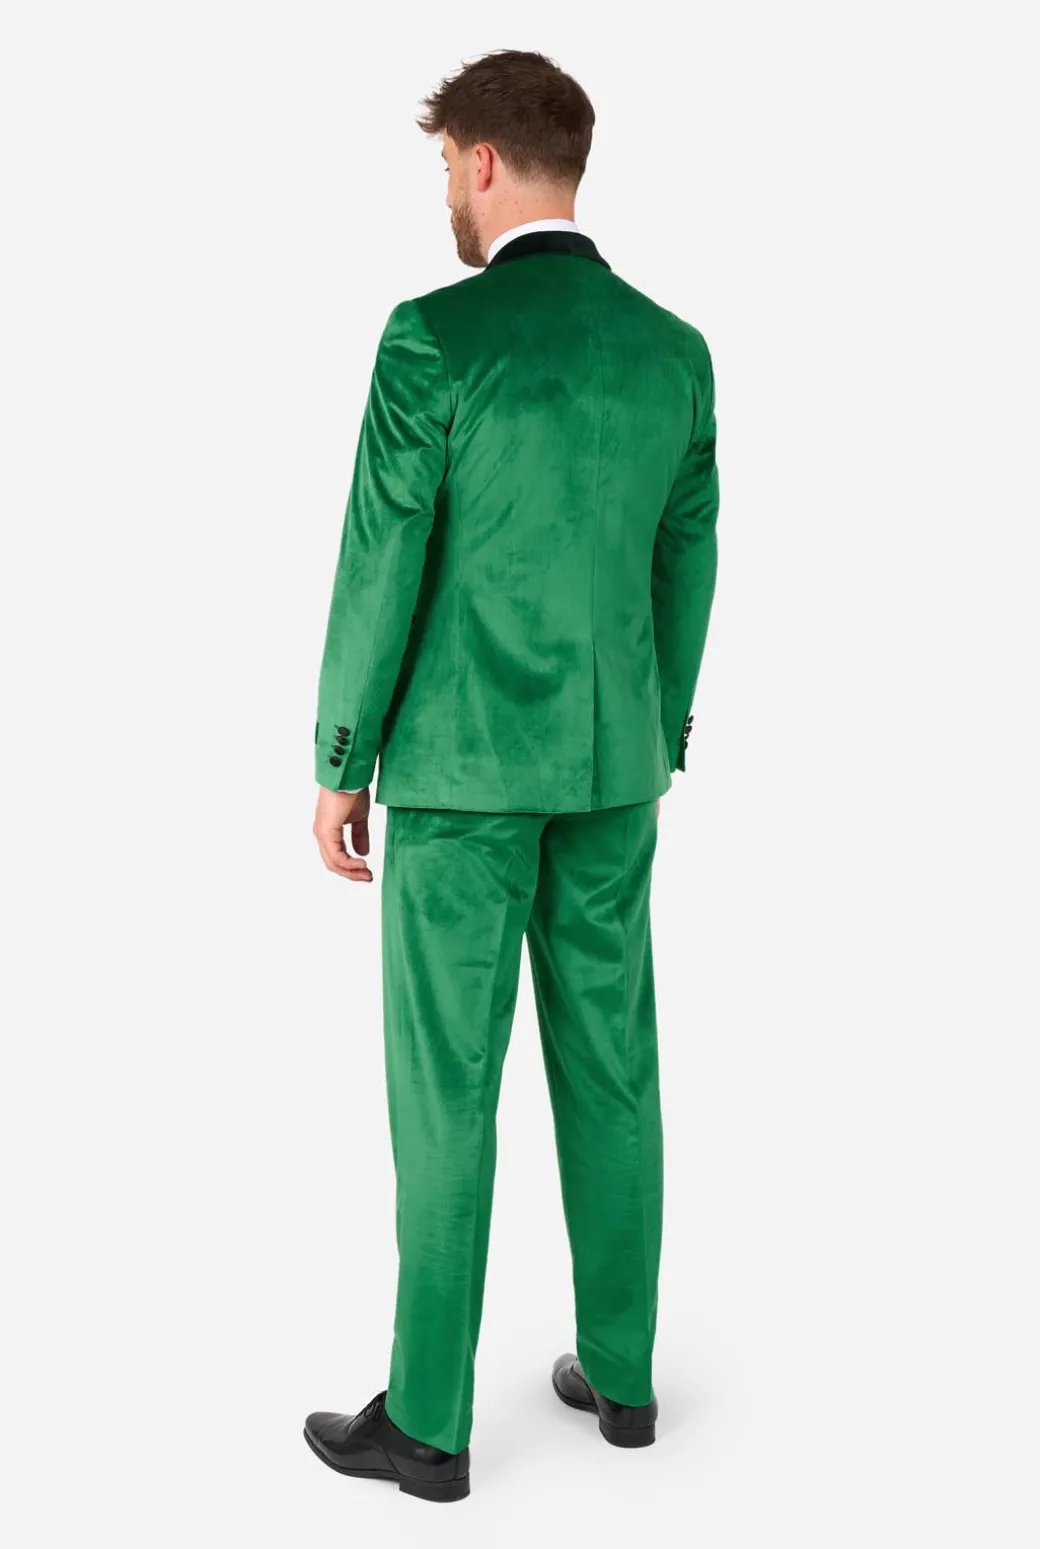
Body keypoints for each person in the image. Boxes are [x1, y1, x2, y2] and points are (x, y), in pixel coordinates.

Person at [304, 48, 720, 1504]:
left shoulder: (435, 338)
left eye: (445, 167)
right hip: (612, 772)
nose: (447, 192)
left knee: (448, 1088)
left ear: (482, 160)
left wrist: (342, 757)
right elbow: (687, 563)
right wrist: (656, 735)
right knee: (614, 1064)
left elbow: (381, 561)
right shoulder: (673, 353)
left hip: (462, 773)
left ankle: (429, 1422)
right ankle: (624, 1375)